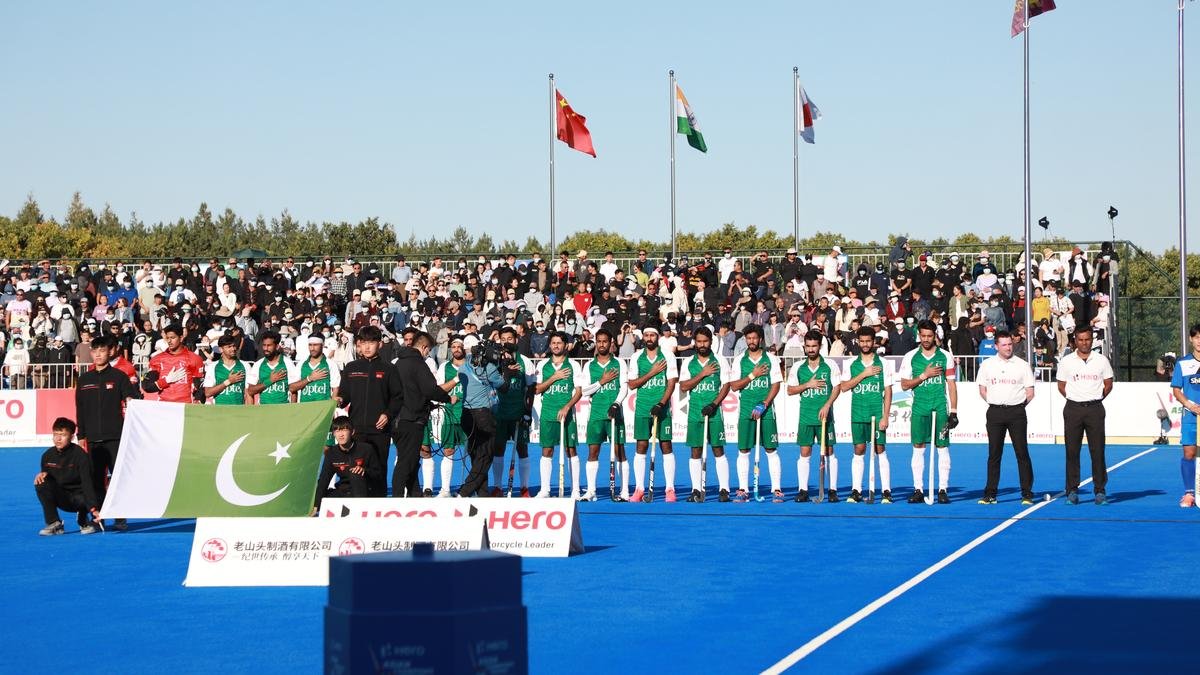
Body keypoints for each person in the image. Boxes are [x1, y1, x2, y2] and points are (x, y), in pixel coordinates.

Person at [74, 335, 140, 530]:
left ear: (109, 353)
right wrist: (81, 436)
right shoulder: (84, 379)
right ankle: (98, 517)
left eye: (102, 351)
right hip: (92, 439)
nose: (98, 355)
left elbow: (132, 399)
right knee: (95, 480)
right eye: (95, 351)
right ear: (91, 353)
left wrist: (131, 400)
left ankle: (120, 518)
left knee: (118, 478)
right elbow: (80, 409)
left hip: (115, 436)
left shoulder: (119, 377)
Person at [338, 325, 403, 496]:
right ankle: (355, 504)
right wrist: (340, 400)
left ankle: (378, 503)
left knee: (378, 469)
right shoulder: (351, 367)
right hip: (356, 430)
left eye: (371, 342)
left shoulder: (389, 368)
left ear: (379, 344)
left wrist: (388, 414)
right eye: (363, 342)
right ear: (358, 344)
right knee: (355, 469)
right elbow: (344, 394)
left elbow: (398, 397)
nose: (367, 347)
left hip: (380, 430)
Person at [899, 320, 959, 504]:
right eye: (923, 336)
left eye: (929, 336)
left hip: (939, 406)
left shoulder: (945, 356)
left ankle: (942, 489)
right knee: (918, 447)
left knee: (942, 446)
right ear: (919, 335)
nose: (926, 339)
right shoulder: (910, 356)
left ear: (935, 336)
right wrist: (924, 375)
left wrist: (954, 411)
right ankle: (918, 489)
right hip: (919, 406)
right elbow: (904, 385)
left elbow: (951, 385)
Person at [976, 330, 1037, 505]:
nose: (1008, 347)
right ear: (996, 346)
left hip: (1017, 412)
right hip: (995, 412)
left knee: (1022, 453)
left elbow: (1030, 392)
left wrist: (1018, 405)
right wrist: (995, 402)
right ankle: (990, 494)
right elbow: (982, 389)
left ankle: (1027, 493)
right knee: (994, 454)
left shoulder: (1022, 365)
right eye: (1004, 345)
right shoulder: (987, 365)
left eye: (1010, 344)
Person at [1057, 326, 1113, 505]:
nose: (1084, 343)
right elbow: (1061, 386)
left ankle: (1100, 490)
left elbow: (1108, 384)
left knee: (1097, 451)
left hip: (1095, 409)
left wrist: (1096, 398)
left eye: (1087, 339)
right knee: (1072, 451)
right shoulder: (1066, 361)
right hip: (1073, 409)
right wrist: (1075, 398)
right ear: (1075, 340)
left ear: (1092, 339)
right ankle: (1072, 490)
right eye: (1080, 340)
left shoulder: (1101, 360)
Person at [390, 331, 451, 497]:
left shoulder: (398, 363)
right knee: (406, 462)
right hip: (411, 420)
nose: (427, 354)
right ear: (424, 347)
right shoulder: (418, 364)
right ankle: (396, 498)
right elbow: (430, 390)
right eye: (428, 350)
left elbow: (409, 392)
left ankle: (415, 494)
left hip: (398, 419)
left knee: (409, 460)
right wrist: (447, 398)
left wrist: (427, 404)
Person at [728, 324, 784, 501]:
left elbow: (776, 385)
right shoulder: (739, 360)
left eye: (754, 338)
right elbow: (734, 386)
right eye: (748, 338)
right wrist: (753, 375)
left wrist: (765, 403)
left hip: (766, 410)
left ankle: (776, 489)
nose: (751, 341)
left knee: (771, 449)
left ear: (760, 339)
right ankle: (743, 489)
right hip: (745, 410)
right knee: (744, 450)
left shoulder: (771, 359)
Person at [839, 327, 894, 503]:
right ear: (857, 342)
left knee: (880, 449)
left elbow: (888, 391)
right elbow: (844, 387)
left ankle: (886, 491)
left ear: (873, 342)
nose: (865, 344)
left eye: (868, 341)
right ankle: (856, 490)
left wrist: (885, 416)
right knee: (859, 449)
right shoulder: (851, 364)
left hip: (876, 414)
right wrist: (864, 374)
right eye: (862, 341)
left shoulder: (883, 363)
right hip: (858, 413)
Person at [679, 327, 732, 502]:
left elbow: (726, 385)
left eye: (705, 341)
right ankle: (696, 489)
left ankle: (724, 489)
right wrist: (702, 374)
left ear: (711, 342)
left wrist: (714, 404)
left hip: (714, 412)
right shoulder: (689, 362)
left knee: (718, 449)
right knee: (695, 450)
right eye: (699, 341)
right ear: (695, 342)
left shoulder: (720, 360)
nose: (702, 344)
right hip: (695, 412)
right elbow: (684, 386)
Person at [626, 325, 678, 502]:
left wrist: (661, 403)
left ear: (658, 337)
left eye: (652, 335)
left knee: (666, 446)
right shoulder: (636, 357)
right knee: (641, 446)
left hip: (662, 408)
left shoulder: (668, 355)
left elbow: (671, 382)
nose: (649, 338)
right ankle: (639, 488)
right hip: (642, 408)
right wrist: (652, 372)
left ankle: (670, 489)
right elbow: (632, 384)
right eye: (646, 335)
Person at [788, 332, 841, 502]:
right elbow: (790, 390)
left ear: (820, 346)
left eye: (814, 346)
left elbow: (837, 387)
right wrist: (807, 385)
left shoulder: (830, 365)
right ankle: (803, 490)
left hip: (825, 418)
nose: (811, 349)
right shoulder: (798, 367)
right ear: (804, 347)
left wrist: (827, 405)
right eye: (808, 346)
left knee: (829, 451)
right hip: (806, 416)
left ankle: (832, 490)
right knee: (805, 452)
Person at [580, 328, 628, 501]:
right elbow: (585, 391)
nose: (601, 344)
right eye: (599, 341)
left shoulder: (620, 363)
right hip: (596, 414)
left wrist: (616, 403)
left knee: (619, 451)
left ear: (610, 343)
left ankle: (624, 491)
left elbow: (624, 387)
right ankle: (591, 490)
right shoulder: (589, 365)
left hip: (615, 413)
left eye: (605, 341)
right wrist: (602, 381)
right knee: (593, 451)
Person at [453, 339, 506, 498]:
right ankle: (465, 491)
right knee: (485, 456)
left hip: (466, 415)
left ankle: (482, 494)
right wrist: (507, 371)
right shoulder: (489, 368)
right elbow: (504, 387)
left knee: (476, 455)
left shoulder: (463, 367)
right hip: (483, 415)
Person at [534, 332, 584, 498]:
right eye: (553, 343)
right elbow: (536, 389)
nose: (556, 346)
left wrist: (567, 406)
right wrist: (554, 377)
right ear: (550, 345)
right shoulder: (543, 365)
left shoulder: (573, 365)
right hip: (548, 413)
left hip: (567, 414)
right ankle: (545, 490)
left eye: (559, 343)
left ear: (565, 345)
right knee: (547, 450)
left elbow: (579, 392)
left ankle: (575, 490)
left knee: (571, 450)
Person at [489, 326, 536, 497]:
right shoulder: (494, 361)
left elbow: (531, 389)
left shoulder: (525, 361)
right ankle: (497, 487)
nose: (506, 342)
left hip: (518, 412)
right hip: (499, 413)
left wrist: (527, 411)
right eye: (503, 339)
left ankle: (524, 487)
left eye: (509, 339)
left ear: (516, 340)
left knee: (522, 450)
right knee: (498, 449)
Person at [35, 418, 102, 536]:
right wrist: (42, 475)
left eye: (63, 435)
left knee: (97, 492)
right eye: (55, 434)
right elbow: (47, 481)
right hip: (62, 498)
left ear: (71, 437)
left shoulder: (81, 455)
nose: (58, 439)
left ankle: (85, 519)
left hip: (81, 499)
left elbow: (87, 483)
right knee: (41, 482)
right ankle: (54, 523)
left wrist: (93, 508)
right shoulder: (47, 456)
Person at [425, 337, 468, 497]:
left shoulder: (471, 366)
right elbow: (440, 389)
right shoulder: (444, 367)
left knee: (473, 452)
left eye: (459, 346)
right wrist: (455, 380)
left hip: (469, 413)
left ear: (464, 348)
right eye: (453, 346)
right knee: (449, 450)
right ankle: (445, 490)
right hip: (450, 413)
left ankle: (470, 488)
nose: (456, 349)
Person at [312, 416, 376, 512]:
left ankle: (360, 511)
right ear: (334, 434)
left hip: (364, 492)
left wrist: (364, 471)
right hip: (343, 492)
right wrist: (316, 506)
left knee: (355, 474)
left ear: (352, 432)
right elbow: (324, 480)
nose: (341, 435)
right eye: (337, 431)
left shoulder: (366, 449)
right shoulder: (331, 453)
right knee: (319, 495)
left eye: (344, 430)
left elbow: (378, 474)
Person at [1170, 324, 1200, 507]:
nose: (1199, 341)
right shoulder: (1183, 363)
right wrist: (1190, 405)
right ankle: (1189, 493)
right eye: (1197, 337)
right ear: (1191, 339)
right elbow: (1176, 390)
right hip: (1190, 416)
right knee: (1189, 453)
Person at [142, 323, 205, 403]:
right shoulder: (157, 359)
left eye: (172, 338)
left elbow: (200, 388)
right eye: (167, 338)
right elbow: (147, 386)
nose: (169, 341)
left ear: (181, 338)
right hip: (164, 405)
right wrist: (167, 380)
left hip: (185, 405)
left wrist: (198, 400)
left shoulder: (195, 359)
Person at [246, 330, 297, 404]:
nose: (266, 348)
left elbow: (294, 391)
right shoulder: (258, 364)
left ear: (277, 346)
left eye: (269, 345)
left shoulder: (287, 363)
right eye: (264, 345)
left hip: (283, 409)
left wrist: (293, 409)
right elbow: (250, 391)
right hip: (264, 409)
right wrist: (269, 381)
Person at [203, 334, 250, 405]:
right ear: (221, 349)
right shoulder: (213, 367)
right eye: (229, 347)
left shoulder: (245, 366)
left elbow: (248, 393)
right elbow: (208, 393)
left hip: (239, 410)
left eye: (234, 346)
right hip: (220, 410)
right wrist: (228, 381)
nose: (233, 349)